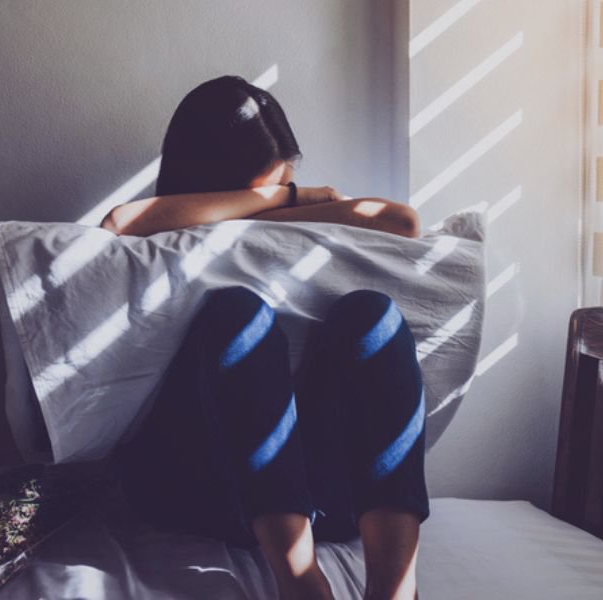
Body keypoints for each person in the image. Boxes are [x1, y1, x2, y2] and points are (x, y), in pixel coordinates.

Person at [100, 75, 429, 600]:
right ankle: (300, 584)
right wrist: (276, 198)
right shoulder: (165, 230)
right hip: (202, 485)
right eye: (267, 193)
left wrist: (291, 203)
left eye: (285, 186)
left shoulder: (305, 215)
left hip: (318, 492)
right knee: (239, 314)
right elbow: (120, 222)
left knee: (374, 315)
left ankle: (395, 589)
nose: (280, 205)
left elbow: (401, 221)